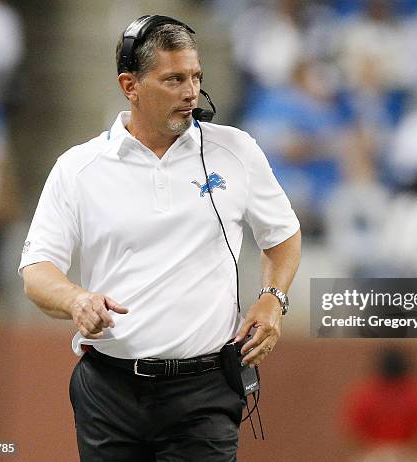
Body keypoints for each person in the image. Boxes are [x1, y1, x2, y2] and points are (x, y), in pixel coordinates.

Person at [19, 15, 301, 462]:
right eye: (173, 79)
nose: (191, 92)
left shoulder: (236, 150)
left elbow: (283, 235)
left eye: (195, 77)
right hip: (108, 392)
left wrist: (272, 299)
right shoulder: (78, 168)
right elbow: (37, 270)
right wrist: (77, 300)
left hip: (205, 392)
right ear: (130, 85)